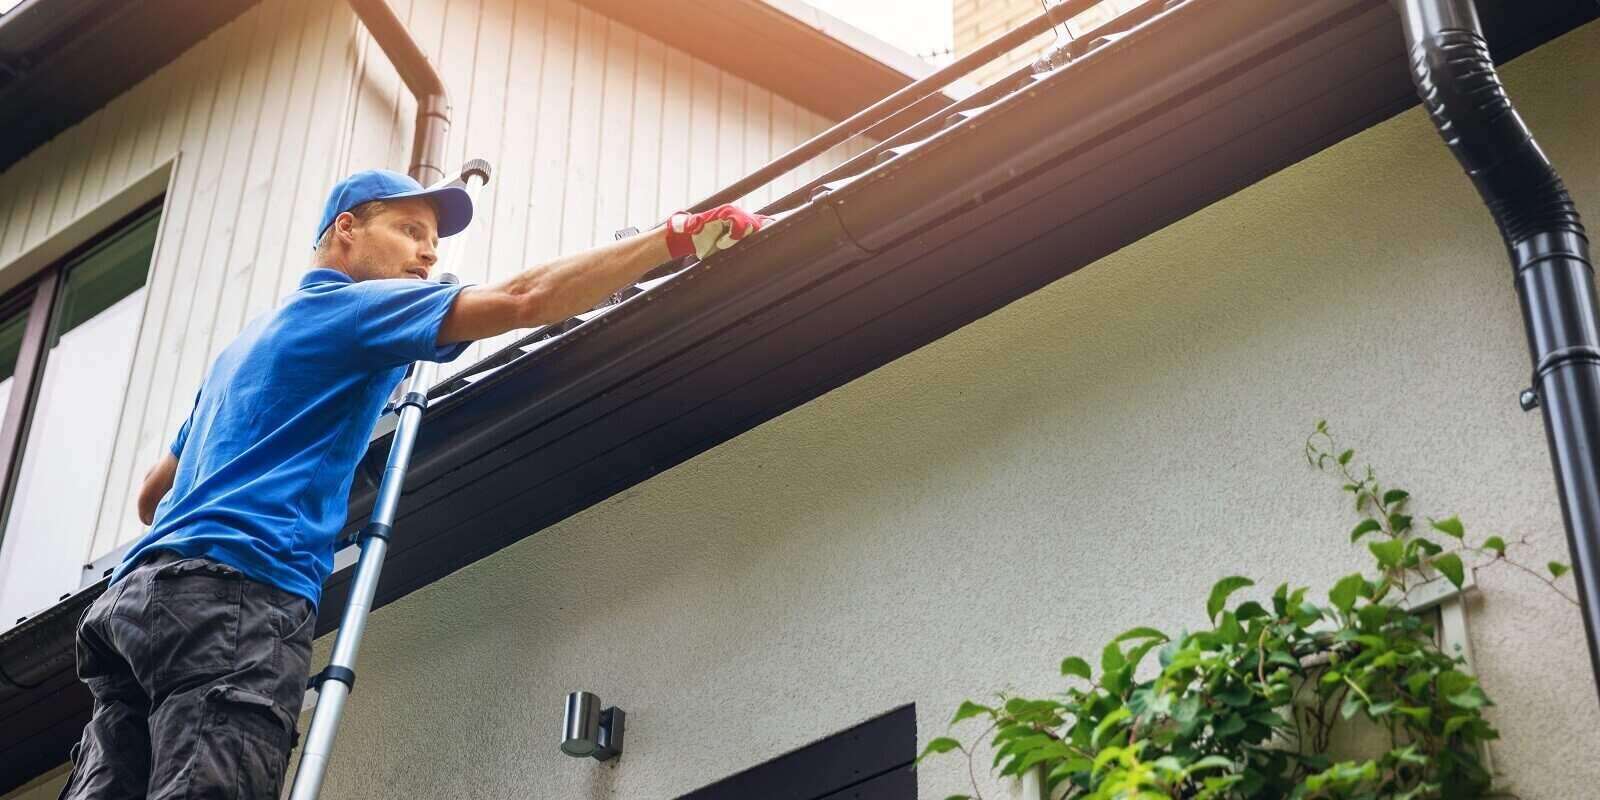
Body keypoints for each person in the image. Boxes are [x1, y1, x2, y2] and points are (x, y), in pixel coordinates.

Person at [57, 169, 770, 799]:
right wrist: (675, 237)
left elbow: (154, 496)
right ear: (346, 231)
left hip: (135, 605)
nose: (429, 254)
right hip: (235, 600)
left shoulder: (244, 349)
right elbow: (524, 298)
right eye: (409, 230)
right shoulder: (353, 309)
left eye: (434, 241)